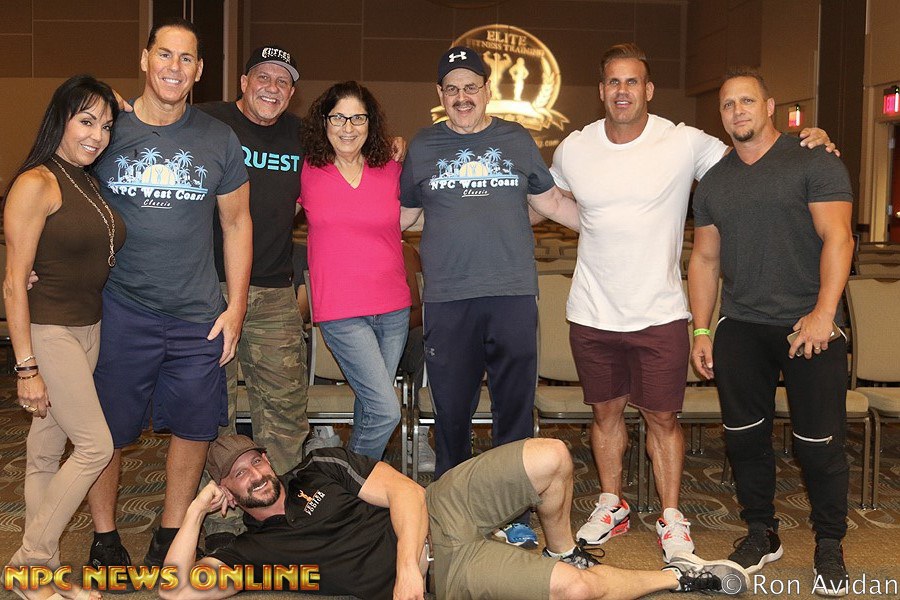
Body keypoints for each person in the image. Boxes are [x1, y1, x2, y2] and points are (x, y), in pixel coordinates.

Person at [549, 42, 835, 562]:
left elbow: (754, 151)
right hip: (591, 310)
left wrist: (808, 141)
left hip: (660, 311)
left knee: (662, 420)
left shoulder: (684, 142)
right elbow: (551, 198)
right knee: (605, 413)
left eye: (632, 81)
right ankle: (611, 504)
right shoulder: (574, 147)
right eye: (613, 81)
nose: (622, 91)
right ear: (601, 90)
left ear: (649, 90)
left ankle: (672, 514)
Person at [160, 434, 750, 600]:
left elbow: (407, 496)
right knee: (576, 590)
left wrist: (405, 572)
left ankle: (562, 545)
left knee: (552, 456)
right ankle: (678, 577)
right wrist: (192, 515)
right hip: (448, 569)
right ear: (226, 490)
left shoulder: (318, 468)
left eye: (256, 460)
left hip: (440, 507)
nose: (256, 473)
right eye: (239, 474)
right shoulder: (247, 552)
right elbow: (175, 591)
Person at [85, 17, 252, 569]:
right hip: (120, 308)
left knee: (194, 428)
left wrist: (236, 307)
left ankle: (171, 531)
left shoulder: (218, 139)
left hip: (197, 314)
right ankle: (104, 536)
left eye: (186, 59)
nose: (174, 67)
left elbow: (237, 223)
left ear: (199, 70)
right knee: (106, 431)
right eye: (164, 54)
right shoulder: (107, 131)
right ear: (144, 58)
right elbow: (60, 194)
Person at [399, 46, 580, 547]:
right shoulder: (423, 145)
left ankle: (513, 510)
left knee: (514, 411)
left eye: (471, 87)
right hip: (448, 299)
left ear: (486, 91)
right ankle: (455, 514)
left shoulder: (516, 139)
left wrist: (617, 227)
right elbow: (403, 216)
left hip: (512, 295)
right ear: (440, 95)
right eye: (452, 89)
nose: (462, 97)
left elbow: (552, 203)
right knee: (451, 413)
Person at [688, 67, 854, 596]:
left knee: (818, 444)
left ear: (769, 106)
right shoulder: (715, 180)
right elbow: (705, 258)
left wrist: (824, 313)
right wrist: (701, 330)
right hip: (741, 326)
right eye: (727, 104)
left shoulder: (814, 160)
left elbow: (839, 238)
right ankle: (761, 531)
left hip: (809, 324)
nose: (737, 111)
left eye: (747, 100)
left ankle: (830, 541)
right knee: (744, 440)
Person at [3, 75, 124, 600]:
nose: (97, 135)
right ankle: (29, 562)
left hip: (88, 330)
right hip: (49, 332)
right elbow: (14, 282)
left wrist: (118, 103)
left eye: (106, 126)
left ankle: (43, 577)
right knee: (95, 447)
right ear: (60, 121)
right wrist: (26, 367)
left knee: (46, 454)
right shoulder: (37, 182)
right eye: (86, 121)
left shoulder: (85, 180)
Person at [195, 45, 308, 553]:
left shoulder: (303, 135)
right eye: (263, 77)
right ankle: (221, 521)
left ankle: (274, 518)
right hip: (209, 291)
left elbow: (355, 145)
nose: (272, 88)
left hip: (275, 293)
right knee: (213, 412)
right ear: (243, 82)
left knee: (284, 413)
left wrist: (391, 147)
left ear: (292, 92)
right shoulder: (207, 121)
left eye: (283, 81)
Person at [298, 81, 411, 460]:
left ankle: (359, 490)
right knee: (386, 410)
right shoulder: (307, 170)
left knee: (370, 405)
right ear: (324, 122)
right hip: (341, 311)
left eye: (358, 118)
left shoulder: (391, 168)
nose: (348, 127)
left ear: (370, 122)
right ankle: (350, 483)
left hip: (393, 308)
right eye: (338, 118)